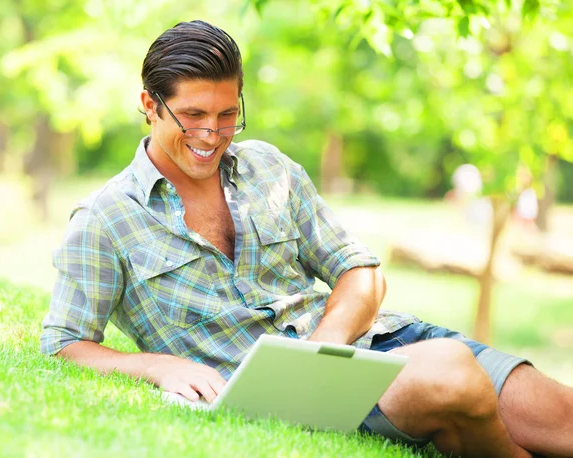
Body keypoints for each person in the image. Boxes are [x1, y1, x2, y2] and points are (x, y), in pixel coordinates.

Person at [41, 20, 573, 458]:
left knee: (562, 419)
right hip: (279, 393)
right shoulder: (105, 219)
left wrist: (325, 351)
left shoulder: (268, 168)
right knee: (454, 374)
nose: (212, 136)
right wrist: (158, 365)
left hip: (367, 345)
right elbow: (64, 343)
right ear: (150, 104)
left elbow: (359, 269)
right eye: (194, 116)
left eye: (228, 116)